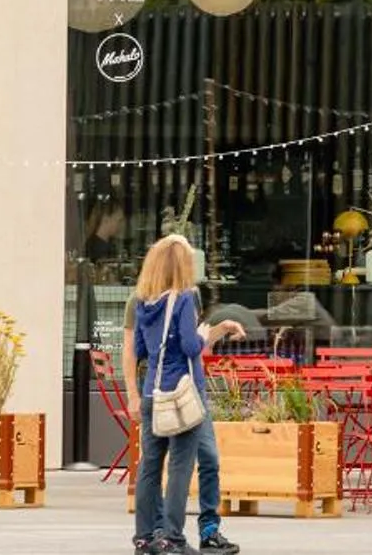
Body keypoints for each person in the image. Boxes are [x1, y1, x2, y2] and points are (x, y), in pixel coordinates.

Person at [121, 234, 245, 555]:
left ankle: (148, 538)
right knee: (179, 467)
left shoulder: (147, 303)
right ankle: (171, 538)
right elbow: (190, 346)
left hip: (157, 391)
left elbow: (149, 349)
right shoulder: (180, 298)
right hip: (181, 394)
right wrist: (204, 334)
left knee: (156, 465)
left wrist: (216, 330)